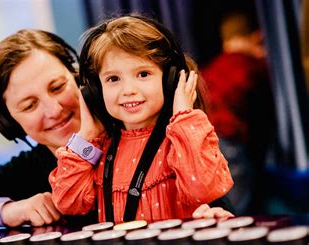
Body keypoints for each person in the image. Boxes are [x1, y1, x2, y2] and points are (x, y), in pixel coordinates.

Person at [0, 29, 233, 237]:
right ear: (11, 124)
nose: (53, 110)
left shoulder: (138, 129)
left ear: (84, 82)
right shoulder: (32, 166)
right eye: (29, 105)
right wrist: (11, 210)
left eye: (57, 87)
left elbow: (208, 192)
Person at [50, 15, 234, 223]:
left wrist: (184, 116)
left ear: (169, 80)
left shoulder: (181, 140)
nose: (128, 90)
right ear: (95, 91)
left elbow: (203, 188)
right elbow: (68, 203)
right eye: (113, 79)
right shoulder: (99, 148)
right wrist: (86, 135)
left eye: (143, 74)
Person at [201, 11, 275, 214]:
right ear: (256, 37)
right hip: (227, 134)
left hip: (206, 134)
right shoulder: (248, 64)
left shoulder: (215, 66)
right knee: (239, 198)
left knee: (226, 193)